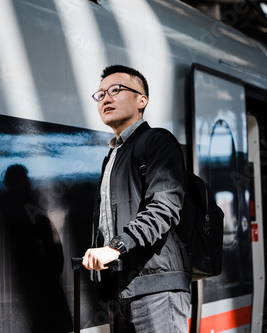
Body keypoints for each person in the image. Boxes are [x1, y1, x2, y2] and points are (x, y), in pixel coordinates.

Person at [82, 65, 191, 332]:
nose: (106, 98)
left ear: (142, 100)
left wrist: (115, 247)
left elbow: (164, 208)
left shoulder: (157, 141)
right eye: (100, 95)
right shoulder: (112, 156)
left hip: (157, 287)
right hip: (119, 290)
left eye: (116, 90)